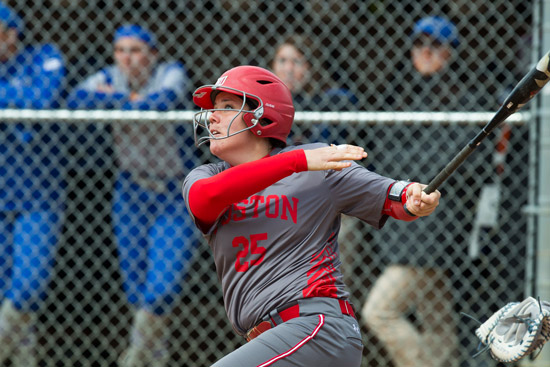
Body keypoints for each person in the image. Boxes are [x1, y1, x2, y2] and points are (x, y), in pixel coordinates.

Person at [182, 65, 441, 366]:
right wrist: (298, 160)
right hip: (273, 342)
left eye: (227, 107)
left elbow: (393, 197)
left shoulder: (318, 168)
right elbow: (206, 198)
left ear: (262, 117)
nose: (212, 116)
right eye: (214, 109)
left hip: (317, 329)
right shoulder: (207, 176)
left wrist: (413, 196)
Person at [361, 16, 494, 367]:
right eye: (419, 44)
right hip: (405, 227)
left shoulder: (466, 101)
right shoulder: (400, 93)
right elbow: (383, 156)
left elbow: (457, 168)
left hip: (438, 230)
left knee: (380, 312)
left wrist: (410, 172)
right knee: (437, 321)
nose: (425, 53)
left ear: (451, 53)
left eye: (435, 46)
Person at [67, 24, 198, 367]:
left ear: (152, 54)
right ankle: (155, 358)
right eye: (120, 50)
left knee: (161, 290)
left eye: (136, 50)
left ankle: (134, 358)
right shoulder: (110, 76)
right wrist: (124, 100)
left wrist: (114, 101)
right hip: (130, 191)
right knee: (136, 290)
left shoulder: (170, 72)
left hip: (173, 193)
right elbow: (76, 100)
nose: (127, 59)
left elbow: (163, 100)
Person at [0, 2, 66, 366]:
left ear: (12, 34)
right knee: (4, 294)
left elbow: (44, 99)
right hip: (1, 192)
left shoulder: (44, 56)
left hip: (38, 193)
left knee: (27, 287)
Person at [270, 34, 358, 142]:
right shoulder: (265, 97)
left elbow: (347, 99)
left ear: (311, 67)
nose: (288, 69)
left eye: (297, 61)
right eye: (282, 61)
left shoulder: (333, 97)